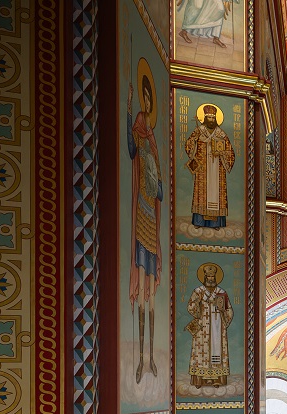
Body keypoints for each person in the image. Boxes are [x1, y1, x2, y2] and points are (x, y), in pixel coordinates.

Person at [127, 72, 162, 384]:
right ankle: (140, 358)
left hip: (152, 216)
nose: (147, 104)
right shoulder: (139, 135)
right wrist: (127, 112)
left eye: (150, 98)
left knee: (151, 293)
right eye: (145, 97)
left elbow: (159, 188)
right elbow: (130, 150)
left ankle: (150, 357)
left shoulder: (152, 141)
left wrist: (157, 183)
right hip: (141, 214)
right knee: (142, 288)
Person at [184, 104, 236, 229]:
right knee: (201, 193)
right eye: (209, 117)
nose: (211, 120)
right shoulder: (199, 131)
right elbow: (188, 145)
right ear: (205, 118)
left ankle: (216, 223)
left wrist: (222, 152)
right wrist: (194, 142)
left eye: (213, 118)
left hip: (217, 169)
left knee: (217, 194)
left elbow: (230, 152)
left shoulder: (221, 134)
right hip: (203, 169)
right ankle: (199, 222)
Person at [185, 263, 234, 387]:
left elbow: (229, 310)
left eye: (213, 277)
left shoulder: (221, 292)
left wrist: (223, 313)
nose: (211, 279)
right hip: (202, 327)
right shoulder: (198, 291)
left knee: (216, 352)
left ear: (215, 277)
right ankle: (199, 380)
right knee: (201, 352)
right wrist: (198, 305)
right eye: (209, 277)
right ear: (205, 277)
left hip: (217, 328)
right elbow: (190, 307)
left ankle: (216, 379)